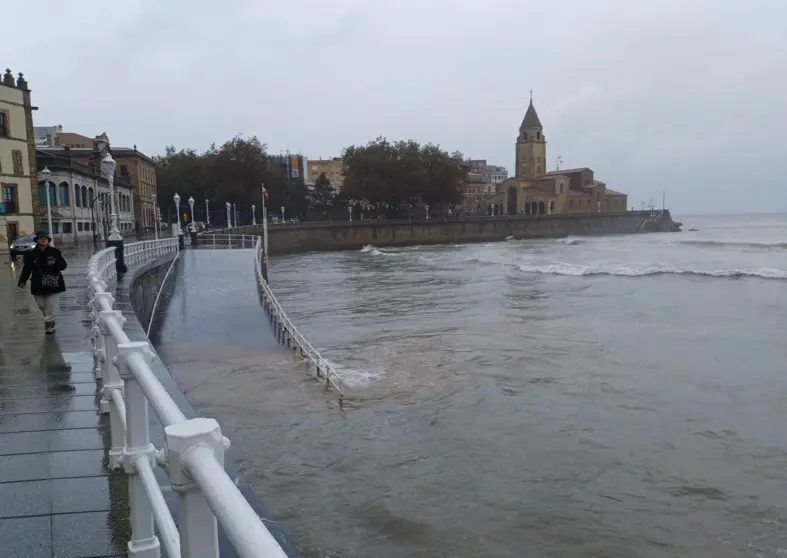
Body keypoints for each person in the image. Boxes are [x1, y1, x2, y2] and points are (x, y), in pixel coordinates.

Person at [17, 231, 67, 334]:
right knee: (41, 305)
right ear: (37, 240)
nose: (43, 239)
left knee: (51, 304)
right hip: (37, 283)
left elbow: (63, 266)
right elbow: (27, 268)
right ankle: (49, 319)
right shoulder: (30, 253)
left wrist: (55, 263)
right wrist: (22, 281)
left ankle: (49, 324)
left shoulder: (55, 252)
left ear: (48, 240)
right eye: (40, 238)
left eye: (45, 238)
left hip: (53, 282)